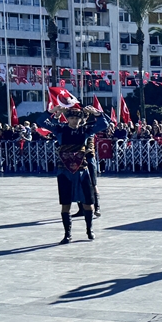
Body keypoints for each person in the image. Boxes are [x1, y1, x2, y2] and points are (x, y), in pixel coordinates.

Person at [37, 104, 110, 243]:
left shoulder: (85, 130)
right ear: (67, 118)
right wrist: (51, 111)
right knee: (65, 204)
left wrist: (97, 113)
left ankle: (89, 229)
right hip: (64, 171)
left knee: (88, 202)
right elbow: (40, 122)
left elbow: (104, 124)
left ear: (80, 119)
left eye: (77, 118)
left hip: (82, 170)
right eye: (71, 118)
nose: (74, 120)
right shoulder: (60, 129)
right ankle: (67, 234)